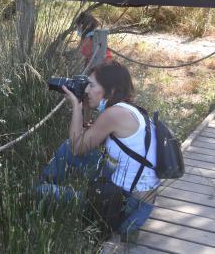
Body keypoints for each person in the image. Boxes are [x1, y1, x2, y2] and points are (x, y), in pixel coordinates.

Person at [38, 61, 160, 239]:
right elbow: (86, 141)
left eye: (91, 85)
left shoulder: (114, 114)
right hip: (134, 199)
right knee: (67, 148)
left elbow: (77, 148)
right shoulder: (129, 111)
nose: (86, 90)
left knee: (39, 192)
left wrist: (76, 107)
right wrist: (85, 108)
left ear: (111, 91)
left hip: (123, 209)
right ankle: (46, 182)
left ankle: (39, 191)